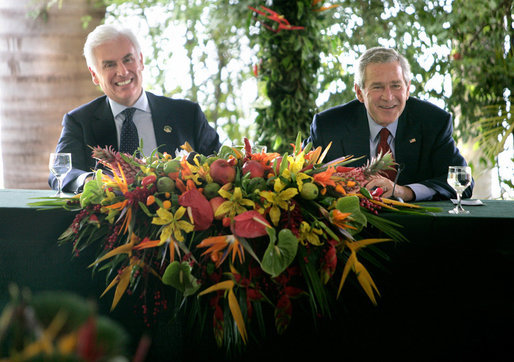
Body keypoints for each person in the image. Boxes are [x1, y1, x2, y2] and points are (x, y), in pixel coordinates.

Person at [49, 24, 221, 193]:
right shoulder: (79, 121)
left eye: (127, 60)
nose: (122, 72)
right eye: (109, 65)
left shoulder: (187, 114)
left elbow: (222, 164)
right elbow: (62, 173)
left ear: (141, 61)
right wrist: (90, 181)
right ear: (94, 75)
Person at [305, 46, 473, 202]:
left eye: (396, 86)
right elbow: (297, 175)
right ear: (359, 92)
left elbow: (462, 184)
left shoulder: (433, 122)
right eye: (377, 87)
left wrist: (405, 192)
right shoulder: (328, 126)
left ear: (407, 90)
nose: (388, 97)